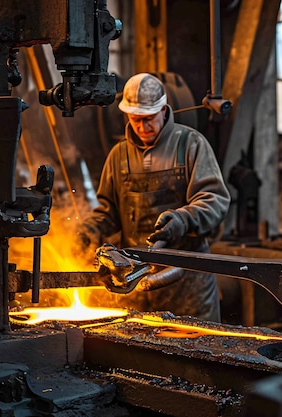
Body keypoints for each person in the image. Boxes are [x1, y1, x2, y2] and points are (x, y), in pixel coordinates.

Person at [77, 73, 231, 321]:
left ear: (163, 109)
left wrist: (182, 220)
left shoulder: (191, 144)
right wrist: (88, 231)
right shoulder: (119, 156)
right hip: (137, 286)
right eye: (136, 120)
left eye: (148, 119)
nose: (142, 127)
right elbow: (108, 212)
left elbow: (214, 199)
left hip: (187, 285)